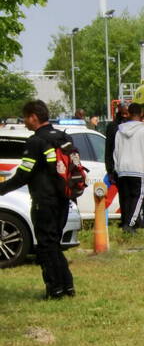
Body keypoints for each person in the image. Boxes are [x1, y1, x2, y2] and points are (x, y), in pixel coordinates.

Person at [0, 101, 76, 298]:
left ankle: (55, 289)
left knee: (45, 246)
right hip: (64, 200)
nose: (25, 121)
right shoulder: (63, 137)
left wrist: (2, 189)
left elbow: (24, 173)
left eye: (26, 117)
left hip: (44, 201)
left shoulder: (35, 142)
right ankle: (67, 286)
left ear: (33, 116)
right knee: (54, 244)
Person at [114, 102, 144, 231]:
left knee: (126, 199)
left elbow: (116, 152)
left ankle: (127, 224)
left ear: (129, 113)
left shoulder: (119, 131)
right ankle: (130, 225)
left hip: (122, 170)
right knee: (138, 198)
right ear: (142, 114)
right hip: (138, 170)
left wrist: (117, 168)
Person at [104, 103, 129, 183]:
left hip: (132, 169)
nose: (125, 116)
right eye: (123, 113)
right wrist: (109, 170)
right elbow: (108, 149)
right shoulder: (112, 126)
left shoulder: (134, 126)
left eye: (127, 113)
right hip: (117, 168)